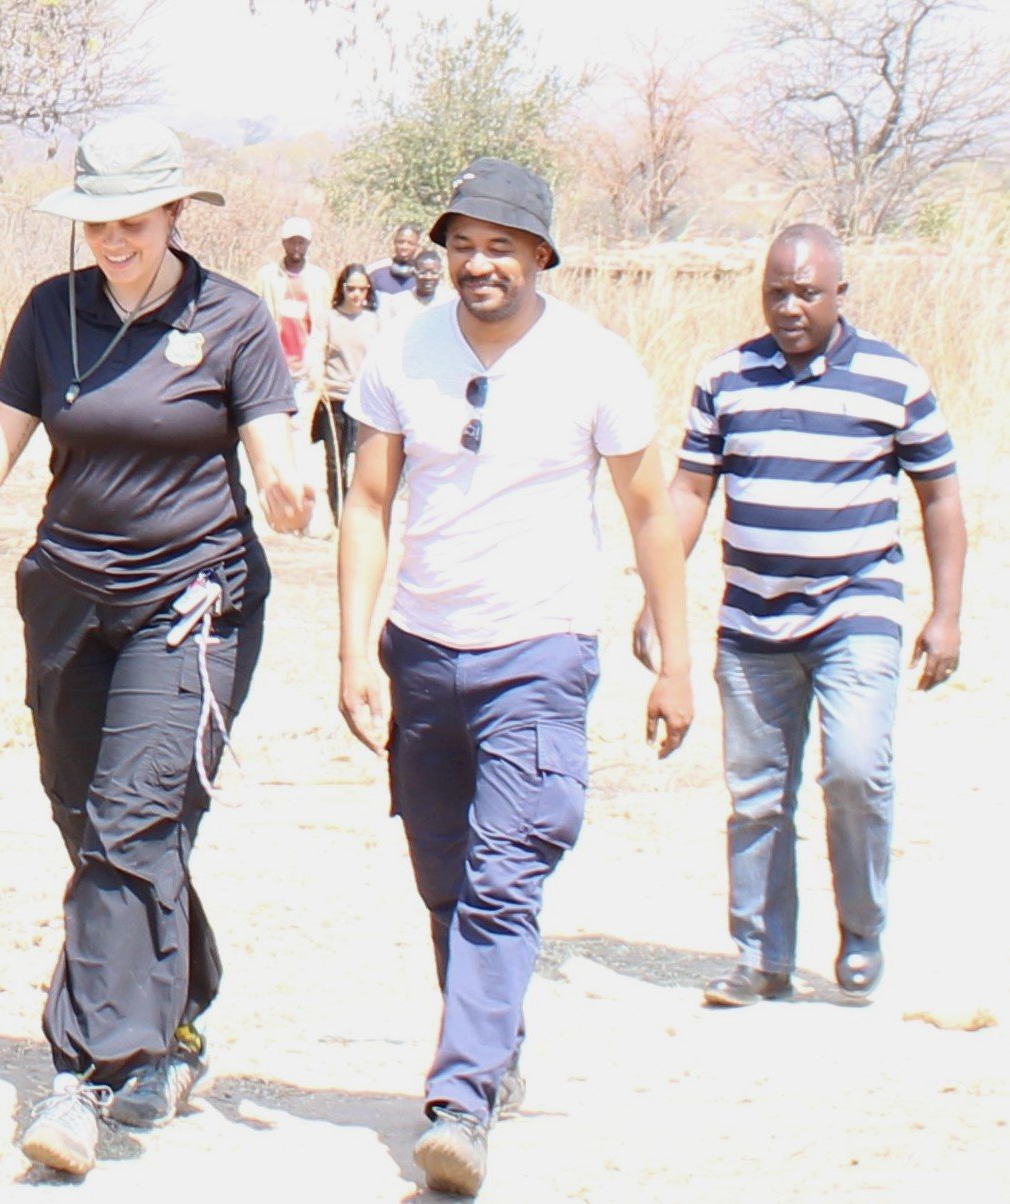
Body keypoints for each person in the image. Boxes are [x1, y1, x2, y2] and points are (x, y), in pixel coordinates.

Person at [0, 115, 312, 1177]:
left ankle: (85, 1077)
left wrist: (288, 488)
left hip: (190, 605)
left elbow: (271, 447)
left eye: (133, 223)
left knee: (132, 818)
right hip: (68, 600)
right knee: (93, 822)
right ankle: (179, 1015)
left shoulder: (233, 318)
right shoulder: (50, 313)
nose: (114, 241)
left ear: (174, 213)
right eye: (98, 223)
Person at [338, 158, 693, 1197]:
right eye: (462, 245)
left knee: (506, 873)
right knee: (444, 879)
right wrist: (355, 648)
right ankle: (493, 1044)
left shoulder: (595, 361)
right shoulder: (403, 350)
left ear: (540, 253)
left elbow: (648, 511)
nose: (478, 263)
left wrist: (677, 661)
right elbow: (368, 503)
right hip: (423, 648)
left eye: (500, 246)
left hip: (540, 652)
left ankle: (458, 1103)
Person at [634, 223, 965, 1007]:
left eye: (806, 293)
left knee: (854, 772)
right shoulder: (725, 378)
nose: (788, 307)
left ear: (838, 294)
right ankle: (761, 958)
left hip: (855, 612)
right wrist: (655, 596)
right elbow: (689, 491)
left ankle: (861, 930)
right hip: (752, 623)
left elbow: (940, 497)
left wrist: (946, 613)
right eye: (775, 292)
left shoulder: (892, 379)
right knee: (755, 796)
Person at [254, 216, 332, 535]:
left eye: (301, 241)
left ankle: (304, 513)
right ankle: (276, 509)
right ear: (284, 243)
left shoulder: (319, 279)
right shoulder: (267, 277)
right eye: (292, 241)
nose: (296, 246)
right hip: (275, 366)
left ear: (308, 244)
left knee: (300, 439)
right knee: (274, 436)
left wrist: (318, 366)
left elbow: (322, 325)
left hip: (306, 370)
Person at [315, 264, 381, 524]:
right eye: (351, 288)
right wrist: (316, 378)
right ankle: (338, 516)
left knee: (359, 461)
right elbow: (316, 351)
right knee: (335, 460)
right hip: (333, 398)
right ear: (342, 288)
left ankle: (358, 514)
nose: (356, 295)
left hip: (364, 401)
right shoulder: (328, 318)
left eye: (362, 289)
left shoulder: (374, 321)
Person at [379, 248, 452, 324]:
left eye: (434, 273)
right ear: (414, 272)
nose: (428, 277)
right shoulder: (399, 302)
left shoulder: (449, 301)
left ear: (440, 273)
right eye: (423, 272)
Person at [367, 222, 421, 295]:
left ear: (417, 246)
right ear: (394, 243)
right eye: (401, 242)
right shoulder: (376, 270)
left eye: (410, 243)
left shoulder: (423, 274)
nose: (404, 247)